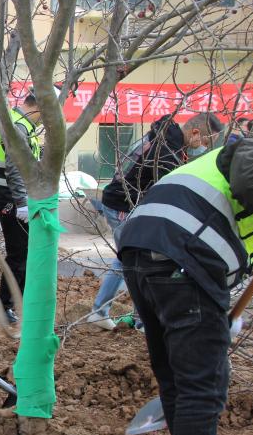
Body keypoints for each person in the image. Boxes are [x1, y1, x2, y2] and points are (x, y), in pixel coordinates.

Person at [116, 137, 253, 435]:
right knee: (202, 385)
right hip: (179, 260)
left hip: (146, 255)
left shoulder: (227, 164)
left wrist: (217, 312)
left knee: (177, 379)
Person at [88, 112, 223, 331]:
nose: (204, 148)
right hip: (123, 205)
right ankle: (129, 318)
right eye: (206, 143)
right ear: (195, 132)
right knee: (134, 260)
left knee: (130, 260)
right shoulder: (167, 151)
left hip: (129, 204)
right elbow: (167, 190)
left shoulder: (167, 139)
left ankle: (110, 313)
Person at [0, 86, 57, 323]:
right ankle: (3, 307)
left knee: (23, 251)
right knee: (18, 253)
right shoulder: (19, 127)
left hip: (13, 197)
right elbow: (14, 167)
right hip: (10, 198)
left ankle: (15, 302)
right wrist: (21, 203)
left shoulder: (22, 124)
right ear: (40, 107)